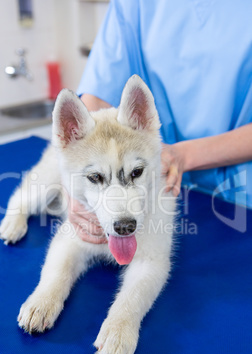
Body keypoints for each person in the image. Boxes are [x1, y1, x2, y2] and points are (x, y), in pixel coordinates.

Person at [68, 0, 252, 244]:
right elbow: (99, 93)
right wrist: (83, 179)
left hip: (240, 201)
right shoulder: (132, 4)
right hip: (153, 194)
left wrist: (184, 155)